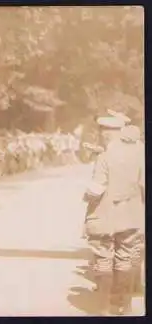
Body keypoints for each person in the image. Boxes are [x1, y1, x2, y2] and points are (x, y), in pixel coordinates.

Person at [83, 116, 145, 316]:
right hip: (132, 215)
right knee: (125, 259)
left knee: (103, 259)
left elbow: (97, 188)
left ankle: (103, 309)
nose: (101, 135)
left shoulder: (105, 157)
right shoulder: (140, 153)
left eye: (102, 131)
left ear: (107, 132)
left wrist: (86, 197)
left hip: (106, 216)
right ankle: (125, 307)